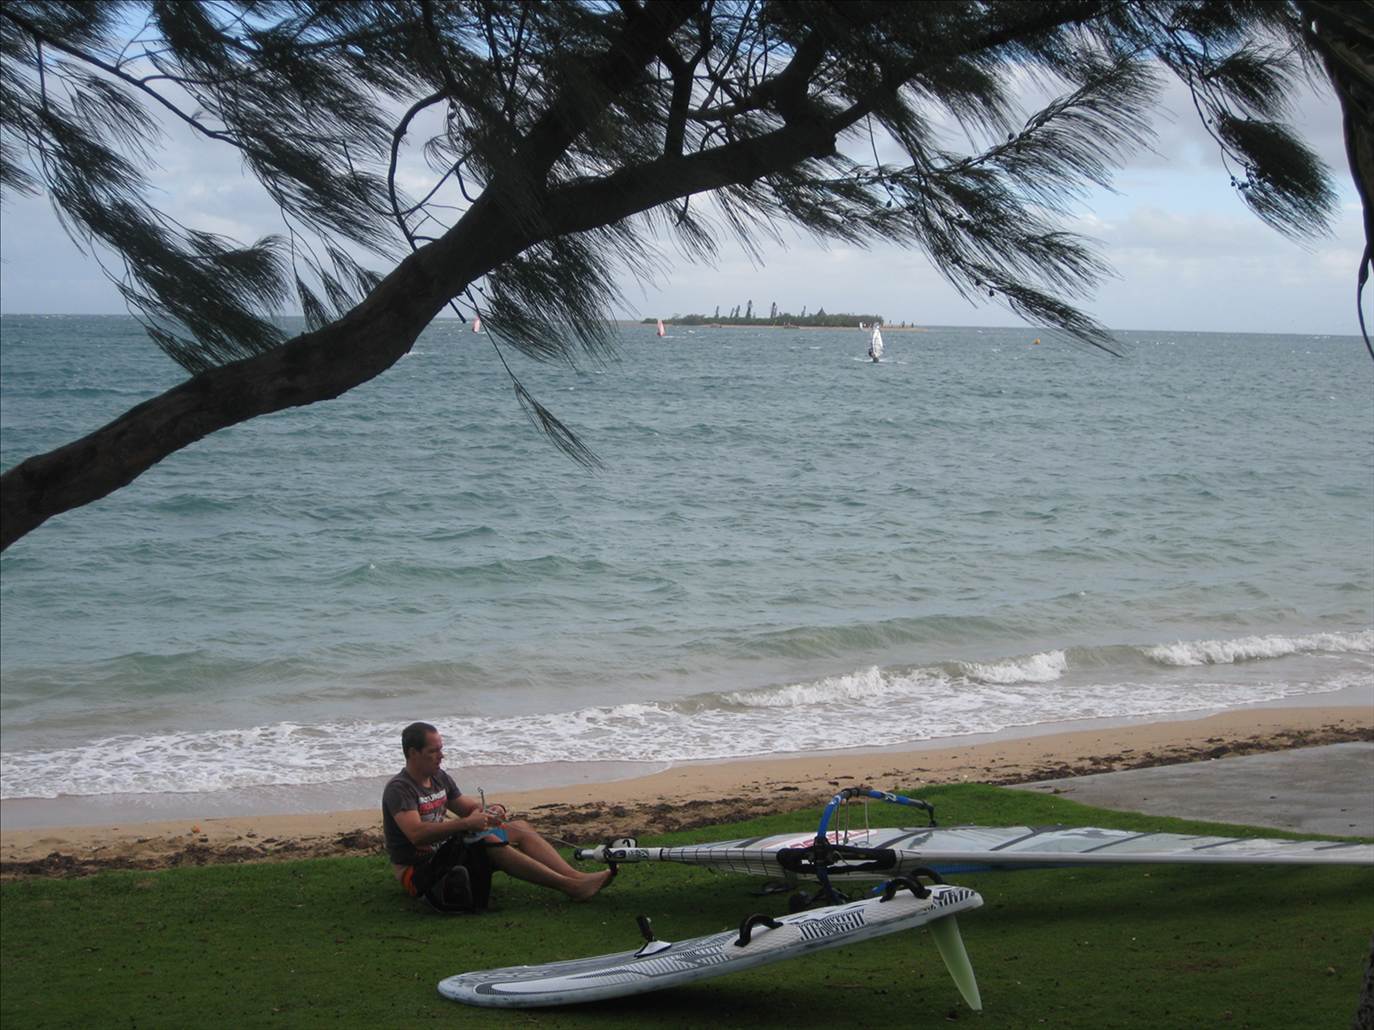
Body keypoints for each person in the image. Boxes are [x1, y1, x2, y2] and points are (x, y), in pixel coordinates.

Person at [382, 721, 613, 911]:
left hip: (449, 854)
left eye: (441, 749)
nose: (441, 756)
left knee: (518, 827)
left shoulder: (439, 777)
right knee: (487, 839)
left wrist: (492, 811)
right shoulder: (400, 789)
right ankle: (570, 886)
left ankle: (576, 877)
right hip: (418, 872)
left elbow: (470, 809)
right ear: (413, 753)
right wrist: (467, 824)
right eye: (433, 751)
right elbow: (416, 834)